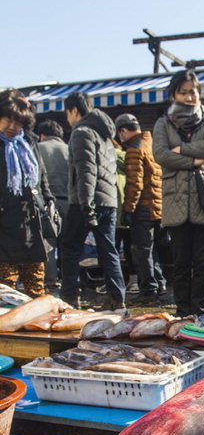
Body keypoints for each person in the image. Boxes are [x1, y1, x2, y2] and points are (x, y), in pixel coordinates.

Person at [152, 70, 204, 316]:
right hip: (176, 201)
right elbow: (161, 154)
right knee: (181, 264)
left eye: (192, 91)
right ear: (174, 95)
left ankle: (200, 312)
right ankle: (183, 313)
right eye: (183, 92)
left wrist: (181, 149)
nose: (189, 96)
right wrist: (193, 161)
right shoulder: (163, 123)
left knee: (203, 265)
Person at [60, 92, 126, 309]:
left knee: (69, 247)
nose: (67, 119)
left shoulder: (81, 132)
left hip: (85, 200)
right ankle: (117, 300)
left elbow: (86, 171)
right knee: (108, 250)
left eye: (67, 113)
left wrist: (86, 205)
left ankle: (70, 298)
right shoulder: (106, 136)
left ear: (74, 111)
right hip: (108, 200)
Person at [0, 89, 54, 297]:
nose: (13, 127)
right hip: (4, 223)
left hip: (30, 219)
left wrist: (48, 199)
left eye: (19, 122)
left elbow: (42, 175)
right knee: (5, 288)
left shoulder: (29, 141)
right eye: (8, 120)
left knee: (36, 287)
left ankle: (36, 325)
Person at [115, 113, 166, 305]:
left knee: (141, 251)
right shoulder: (153, 144)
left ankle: (148, 291)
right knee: (153, 250)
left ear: (123, 131)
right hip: (158, 206)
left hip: (143, 207)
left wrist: (128, 209)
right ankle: (160, 284)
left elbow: (134, 184)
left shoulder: (135, 149)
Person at [37, 119, 68, 290]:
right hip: (70, 201)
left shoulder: (39, 148)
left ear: (42, 135)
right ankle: (70, 280)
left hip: (48, 203)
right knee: (69, 244)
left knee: (48, 242)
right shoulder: (69, 148)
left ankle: (51, 281)